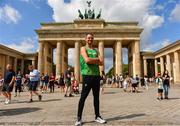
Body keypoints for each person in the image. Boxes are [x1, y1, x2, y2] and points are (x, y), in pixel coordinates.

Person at [75, 33, 106, 126]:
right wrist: (96, 60)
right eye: (88, 38)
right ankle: (79, 118)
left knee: (96, 98)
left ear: (93, 39)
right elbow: (87, 60)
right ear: (85, 39)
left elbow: (102, 63)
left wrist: (93, 60)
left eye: (92, 38)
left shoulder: (96, 50)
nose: (90, 39)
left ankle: (97, 116)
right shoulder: (83, 48)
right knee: (83, 97)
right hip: (87, 76)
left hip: (96, 76)